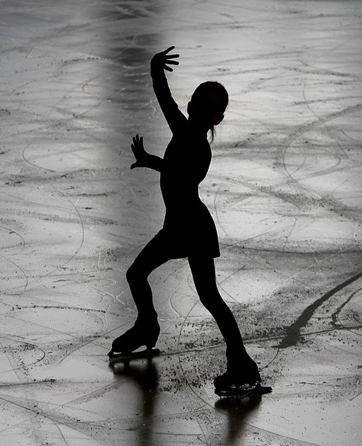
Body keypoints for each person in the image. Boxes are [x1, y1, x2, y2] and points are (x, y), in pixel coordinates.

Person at [109, 46, 266, 396]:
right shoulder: (186, 132)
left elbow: (181, 168)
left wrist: (155, 71)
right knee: (137, 274)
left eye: (211, 107)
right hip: (179, 225)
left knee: (208, 296)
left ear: (217, 119)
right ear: (192, 105)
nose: (200, 108)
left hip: (191, 228)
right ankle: (147, 325)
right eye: (198, 101)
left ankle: (241, 364)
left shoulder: (195, 142)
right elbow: (177, 162)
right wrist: (153, 160)